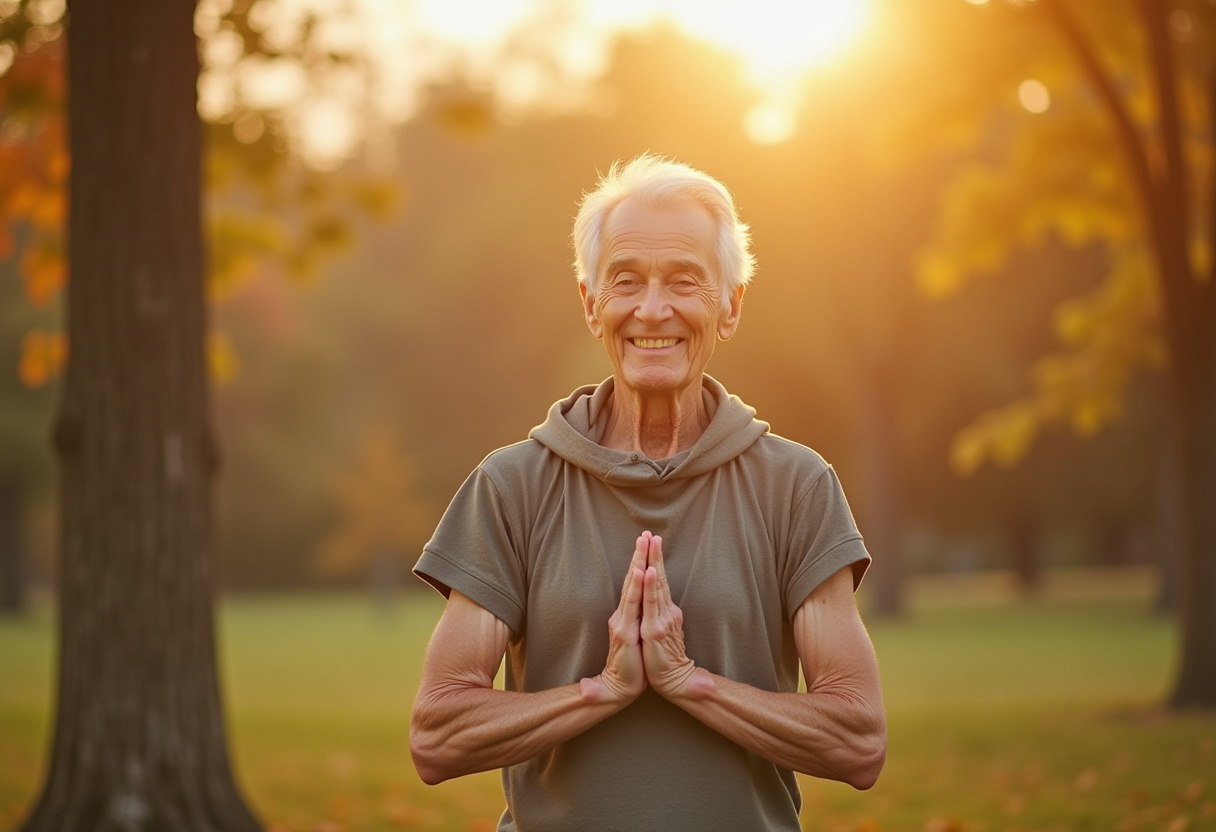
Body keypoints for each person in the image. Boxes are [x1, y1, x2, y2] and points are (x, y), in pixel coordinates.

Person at [410, 154, 886, 832]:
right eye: (626, 280)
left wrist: (690, 682)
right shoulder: (512, 487)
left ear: (730, 306)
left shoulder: (797, 487)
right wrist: (601, 692)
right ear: (590, 304)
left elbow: (858, 740)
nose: (652, 309)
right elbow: (438, 736)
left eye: (684, 281)